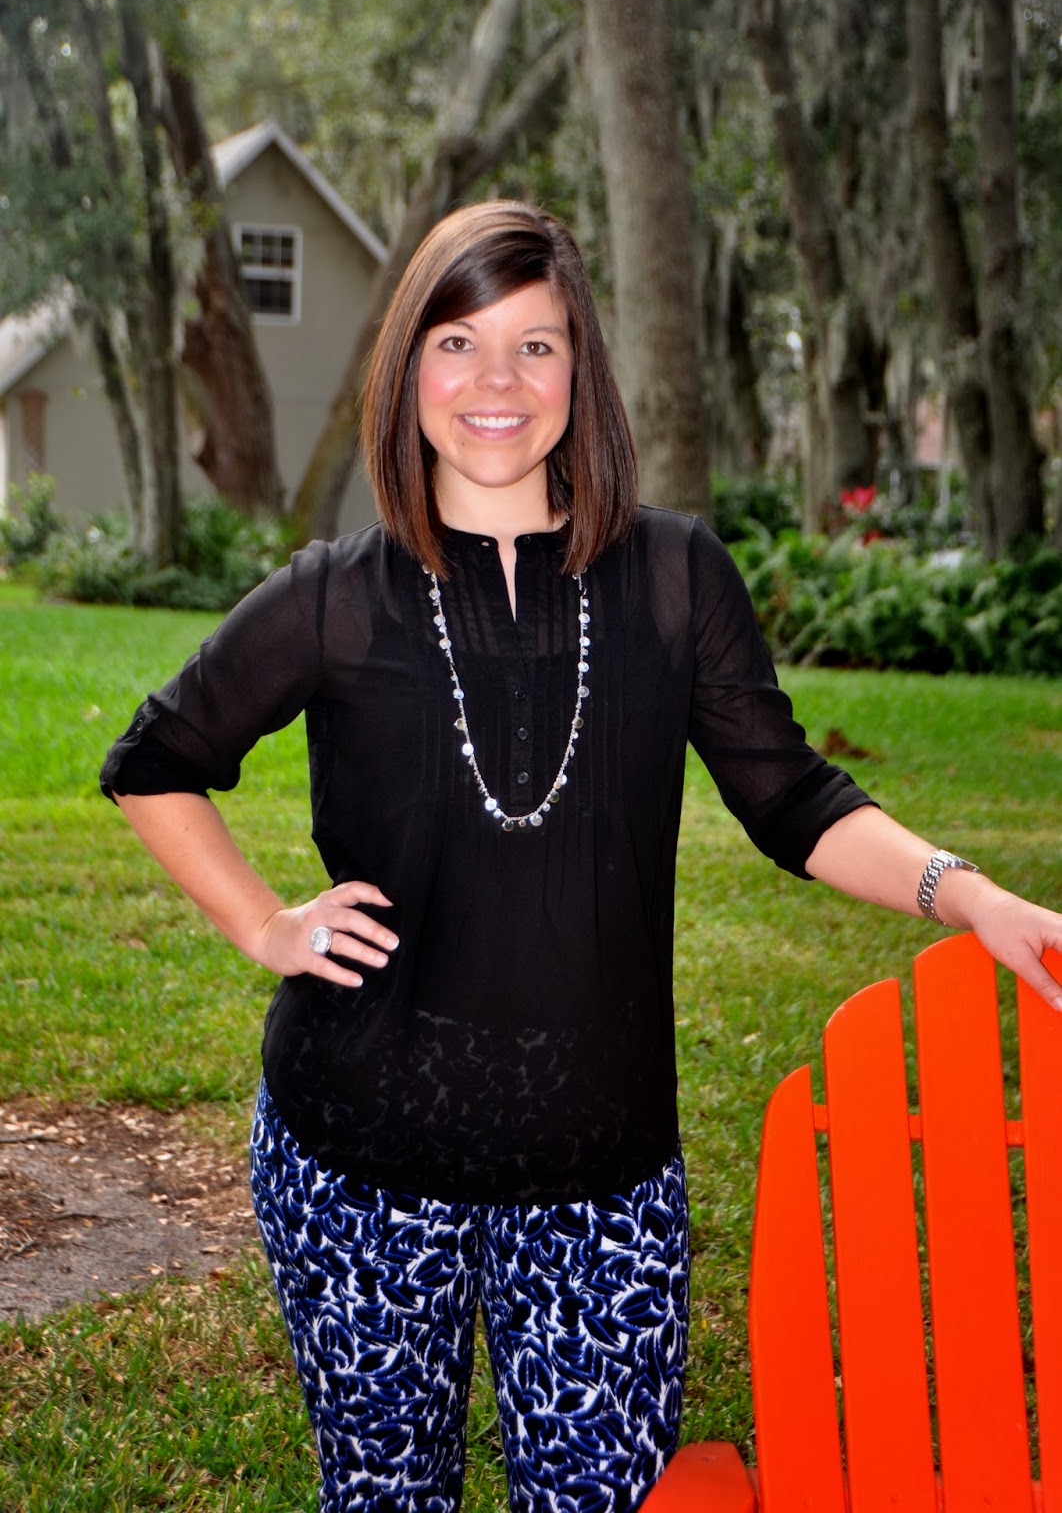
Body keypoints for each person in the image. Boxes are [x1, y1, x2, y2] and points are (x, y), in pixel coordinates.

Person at [101, 199, 1062, 1513]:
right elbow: (155, 759)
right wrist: (265, 925)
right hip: (359, 1161)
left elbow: (790, 797)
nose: (495, 382)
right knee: (384, 1494)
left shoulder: (672, 577)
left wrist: (969, 895)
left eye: (535, 346)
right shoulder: (337, 596)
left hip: (601, 1175)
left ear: (579, 371)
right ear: (407, 372)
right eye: (457, 343)